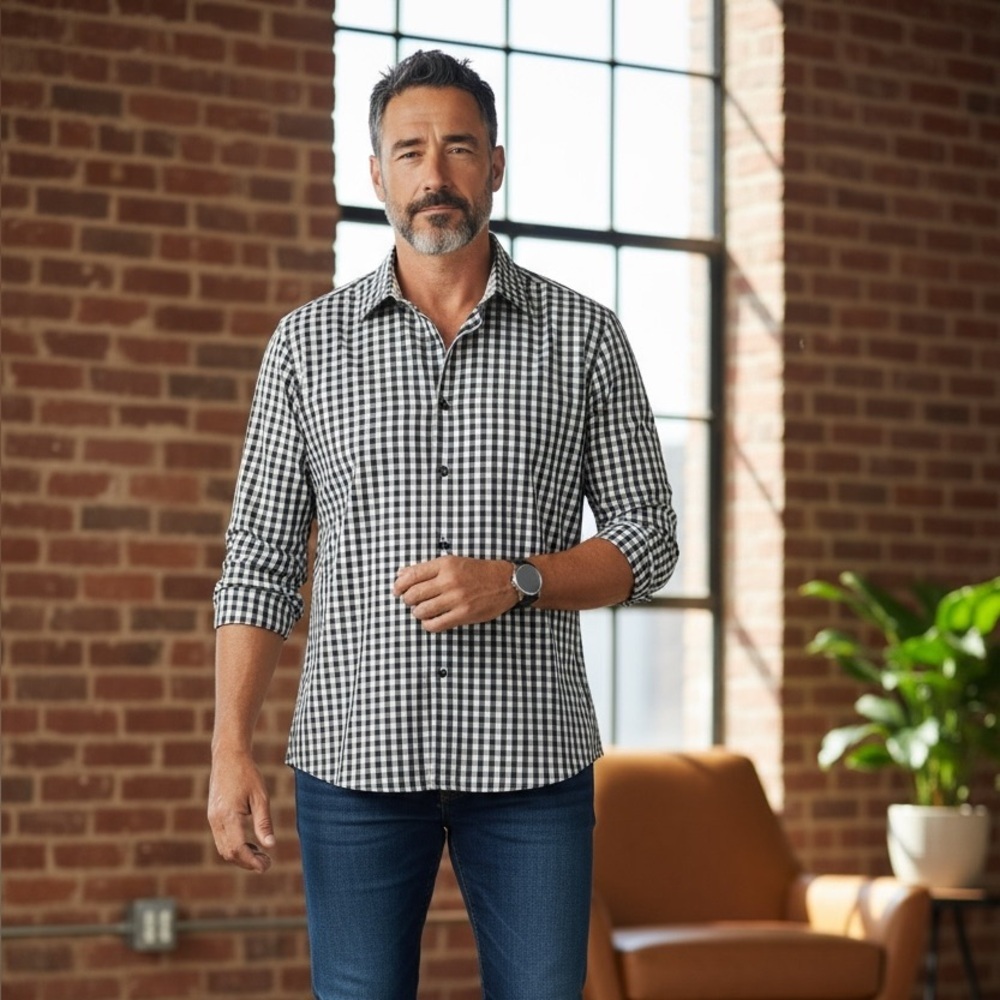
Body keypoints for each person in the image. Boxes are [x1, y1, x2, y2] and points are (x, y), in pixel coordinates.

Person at [208, 48, 678, 1000]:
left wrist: (519, 577)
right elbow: (258, 559)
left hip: (532, 759)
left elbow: (649, 537)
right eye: (410, 150)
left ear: (495, 165)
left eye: (458, 147)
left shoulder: (584, 336)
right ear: (375, 173)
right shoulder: (307, 345)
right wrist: (230, 749)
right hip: (355, 757)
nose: (435, 173)